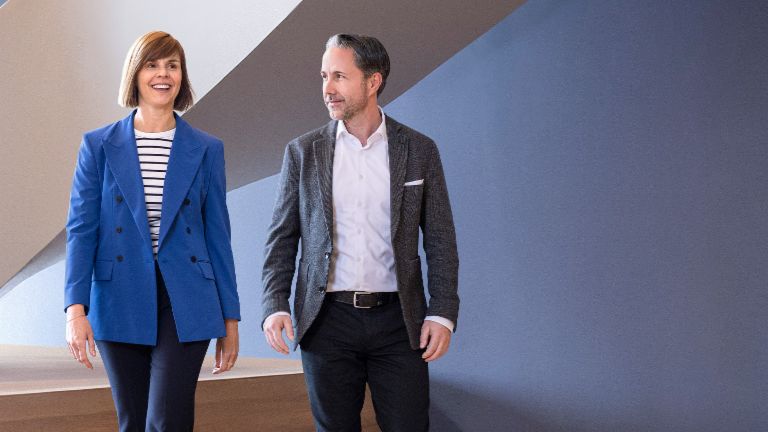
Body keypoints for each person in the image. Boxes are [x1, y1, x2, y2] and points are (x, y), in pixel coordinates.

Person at [262, 33, 459, 431]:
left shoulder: (419, 150)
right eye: (324, 76)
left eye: (339, 76)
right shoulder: (302, 151)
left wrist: (442, 312)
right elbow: (282, 237)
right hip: (326, 321)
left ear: (373, 81)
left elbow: (440, 238)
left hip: (399, 323)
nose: (327, 89)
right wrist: (275, 304)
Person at [64, 30, 240, 431]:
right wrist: (76, 310)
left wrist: (230, 320)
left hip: (187, 298)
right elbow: (82, 229)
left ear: (182, 76)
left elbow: (218, 237)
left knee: (167, 419)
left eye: (172, 65)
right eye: (153, 64)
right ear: (135, 74)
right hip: (117, 294)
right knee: (133, 420)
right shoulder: (98, 145)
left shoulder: (207, 148)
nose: (164, 74)